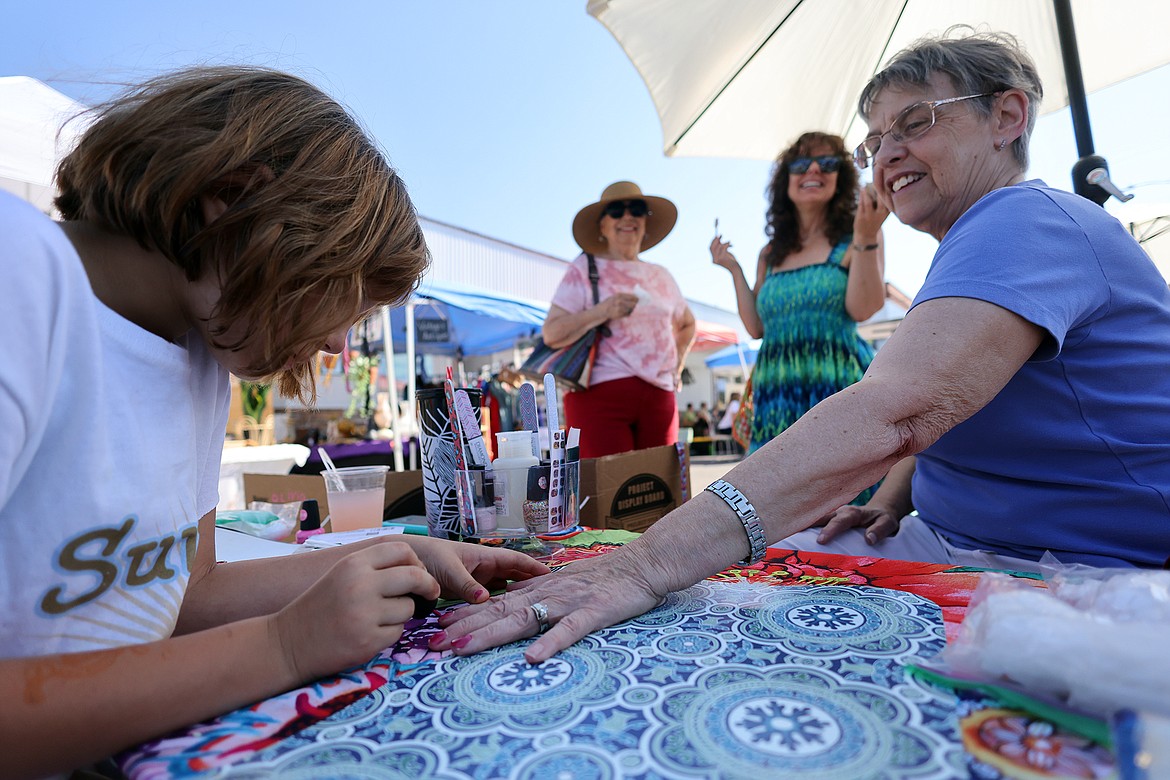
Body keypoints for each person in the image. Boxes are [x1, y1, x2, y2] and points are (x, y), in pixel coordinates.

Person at [431, 29, 1170, 665]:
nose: (888, 154)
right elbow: (958, 398)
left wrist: (648, 562)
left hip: (1089, 571)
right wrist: (898, 496)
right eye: (875, 142)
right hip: (960, 540)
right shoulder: (983, 236)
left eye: (914, 122)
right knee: (718, 594)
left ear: (1008, 114)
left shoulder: (1022, 219)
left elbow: (901, 406)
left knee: (686, 614)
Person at [0, 66, 548, 778]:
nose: (335, 346)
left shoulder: (197, 357)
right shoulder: (21, 275)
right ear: (231, 201)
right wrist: (283, 647)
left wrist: (392, 560)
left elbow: (185, 592)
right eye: (337, 297)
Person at [710, 132, 888, 461]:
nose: (814, 170)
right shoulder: (771, 253)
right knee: (774, 498)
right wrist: (734, 269)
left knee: (840, 498)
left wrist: (865, 234)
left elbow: (864, 308)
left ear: (842, 177)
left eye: (828, 163)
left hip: (835, 388)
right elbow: (757, 329)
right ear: (786, 181)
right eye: (802, 164)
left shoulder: (858, 235)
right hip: (775, 394)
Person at [542, 181, 697, 458]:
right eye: (616, 211)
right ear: (602, 226)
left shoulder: (661, 274)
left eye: (636, 210)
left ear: (645, 222)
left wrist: (678, 364)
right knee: (608, 492)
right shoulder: (584, 268)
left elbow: (687, 323)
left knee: (660, 490)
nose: (628, 217)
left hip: (660, 395)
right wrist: (602, 311)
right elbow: (552, 333)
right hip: (599, 396)